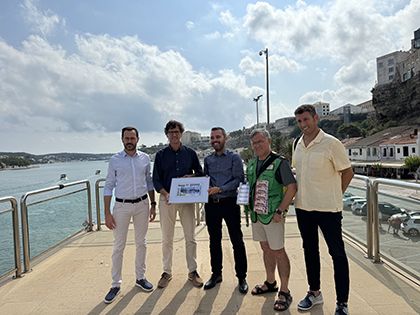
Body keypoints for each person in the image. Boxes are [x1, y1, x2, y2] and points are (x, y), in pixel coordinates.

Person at [292, 104, 354, 315]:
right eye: (299, 121)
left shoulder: (331, 143)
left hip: (328, 210)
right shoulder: (297, 144)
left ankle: (342, 303)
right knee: (310, 251)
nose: (303, 125)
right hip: (303, 208)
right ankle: (314, 294)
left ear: (316, 118)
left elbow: (348, 173)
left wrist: (336, 195)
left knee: (337, 254)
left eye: (306, 120)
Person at [245, 129, 297, 311]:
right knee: (265, 248)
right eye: (254, 143)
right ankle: (270, 282)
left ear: (268, 141)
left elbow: (292, 188)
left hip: (273, 215)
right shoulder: (252, 164)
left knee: (278, 251)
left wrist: (280, 211)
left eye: (260, 141)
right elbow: (251, 187)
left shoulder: (279, 163)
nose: (257, 146)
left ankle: (284, 290)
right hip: (257, 214)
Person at [103, 126, 156, 304]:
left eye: (132, 138)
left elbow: (149, 181)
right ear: (122, 139)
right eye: (127, 138)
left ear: (138, 139)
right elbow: (109, 185)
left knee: (142, 243)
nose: (129, 141)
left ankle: (140, 278)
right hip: (122, 206)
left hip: (142, 204)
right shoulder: (115, 160)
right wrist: (107, 212)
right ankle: (115, 284)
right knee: (119, 246)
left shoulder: (145, 158)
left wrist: (153, 204)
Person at [153, 120, 204, 288]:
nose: (174, 135)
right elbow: (156, 180)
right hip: (166, 200)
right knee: (167, 238)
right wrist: (166, 194)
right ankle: (166, 272)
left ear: (181, 133)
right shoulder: (160, 155)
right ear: (166, 135)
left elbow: (201, 173)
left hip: (186, 199)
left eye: (176, 132)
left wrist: (191, 177)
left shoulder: (190, 153)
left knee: (190, 237)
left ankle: (193, 271)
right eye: (170, 132)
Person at [203, 127, 248, 293]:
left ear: (225, 138)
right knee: (214, 241)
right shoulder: (207, 160)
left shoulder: (234, 157)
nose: (215, 140)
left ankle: (242, 277)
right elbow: (205, 179)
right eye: (212, 137)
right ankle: (216, 274)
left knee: (237, 240)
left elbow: (239, 179)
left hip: (229, 203)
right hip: (211, 204)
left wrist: (220, 189)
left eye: (218, 137)